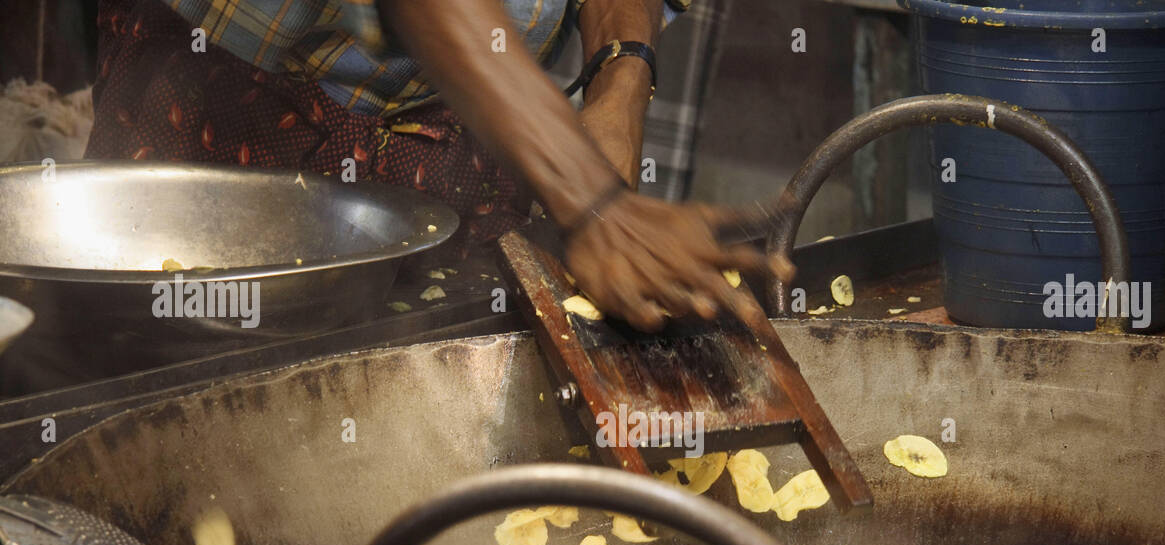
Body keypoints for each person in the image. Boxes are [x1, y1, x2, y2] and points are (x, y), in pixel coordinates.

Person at [86, 0, 793, 331]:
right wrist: (594, 202)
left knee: (449, 433)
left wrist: (619, 81)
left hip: (481, 126)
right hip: (231, 109)